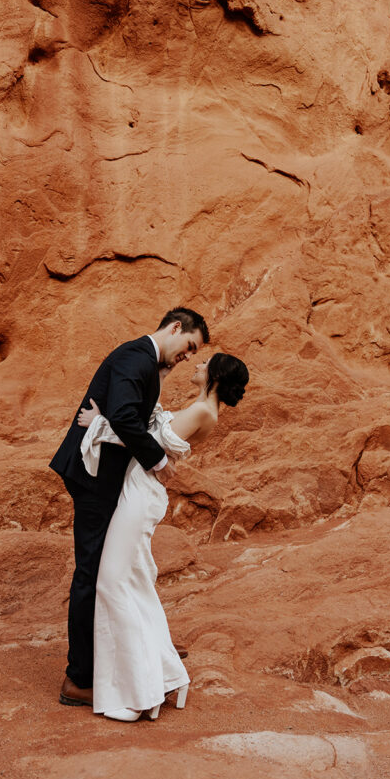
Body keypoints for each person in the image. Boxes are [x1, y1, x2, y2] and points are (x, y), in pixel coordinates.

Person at [49, 307, 210, 707]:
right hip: (94, 477)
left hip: (105, 475)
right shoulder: (135, 357)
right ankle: (78, 678)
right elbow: (122, 415)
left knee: (113, 566)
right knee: (92, 571)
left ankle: (141, 646)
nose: (188, 356)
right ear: (175, 328)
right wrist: (158, 461)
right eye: (188, 346)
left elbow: (127, 413)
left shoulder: (145, 362)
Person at [78, 352, 249, 721]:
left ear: (216, 376)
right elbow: (152, 433)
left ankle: (141, 695)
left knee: (110, 584)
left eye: (206, 363)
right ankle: (167, 675)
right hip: (140, 489)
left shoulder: (205, 410)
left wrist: (100, 423)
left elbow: (144, 441)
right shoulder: (202, 407)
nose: (198, 364)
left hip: (140, 493)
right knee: (135, 585)